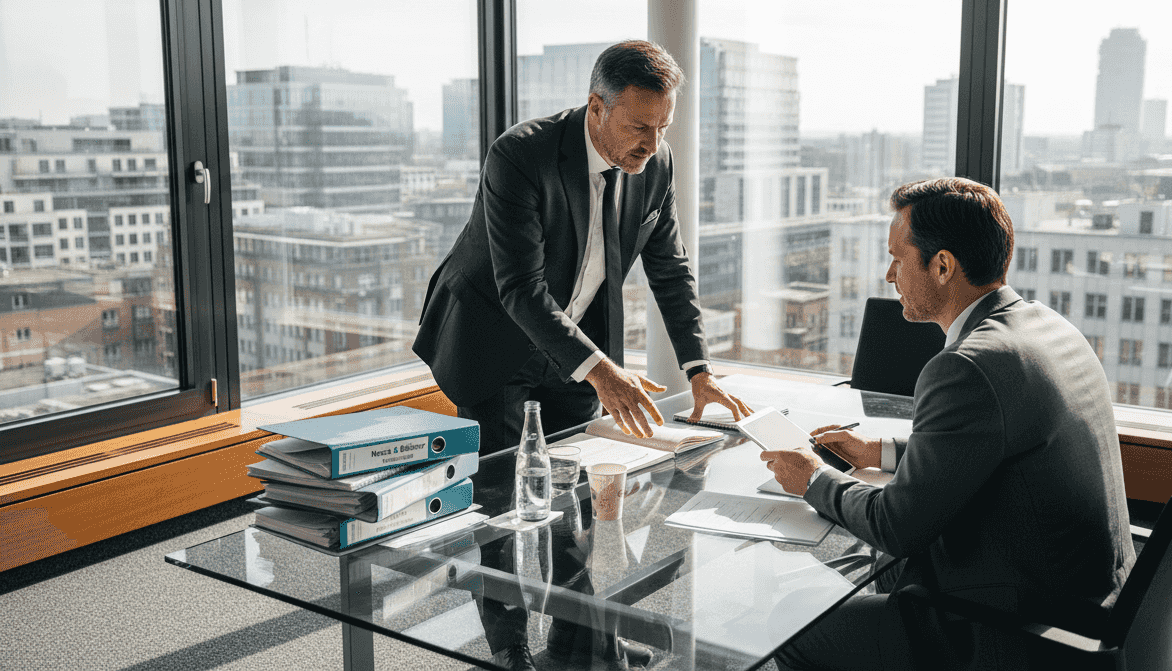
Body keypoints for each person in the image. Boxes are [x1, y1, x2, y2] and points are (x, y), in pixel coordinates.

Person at [762, 177, 1135, 670]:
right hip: (1093, 600)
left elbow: (895, 527)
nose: (889, 274)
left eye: (898, 256)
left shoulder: (965, 367)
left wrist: (812, 478)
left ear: (942, 265)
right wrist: (881, 452)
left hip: (1018, 632)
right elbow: (992, 446)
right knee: (888, 577)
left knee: (790, 620)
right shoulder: (1046, 325)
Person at [415, 41, 749, 457]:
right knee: (503, 488)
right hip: (497, 338)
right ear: (596, 107)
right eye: (639, 126)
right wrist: (604, 372)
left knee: (578, 474)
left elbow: (671, 269)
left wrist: (700, 371)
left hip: (579, 345)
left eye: (663, 127)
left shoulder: (657, 162)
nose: (652, 143)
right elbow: (521, 288)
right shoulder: (520, 154)